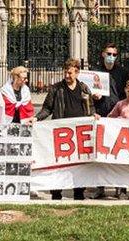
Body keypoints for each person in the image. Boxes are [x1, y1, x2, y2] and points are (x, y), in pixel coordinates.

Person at [25, 58, 94, 200]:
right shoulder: (56, 89)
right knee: (58, 165)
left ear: (77, 72)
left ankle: (79, 193)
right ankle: (56, 193)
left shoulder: (84, 88)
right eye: (65, 73)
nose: (67, 76)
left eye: (70, 73)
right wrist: (37, 118)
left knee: (78, 165)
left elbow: (91, 108)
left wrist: (94, 115)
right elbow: (47, 108)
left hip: (78, 134)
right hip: (61, 133)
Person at [95, 43, 127, 118]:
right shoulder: (96, 71)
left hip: (118, 111)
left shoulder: (123, 72)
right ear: (103, 54)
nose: (111, 56)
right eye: (109, 54)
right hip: (100, 111)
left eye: (114, 55)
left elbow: (127, 92)